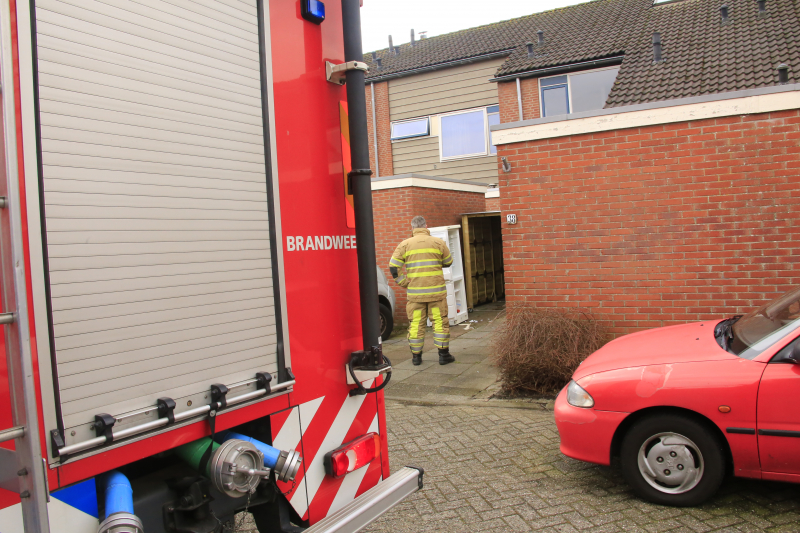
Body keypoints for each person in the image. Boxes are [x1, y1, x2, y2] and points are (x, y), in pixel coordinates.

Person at [389, 216, 455, 366]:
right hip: (436, 294)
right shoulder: (438, 242)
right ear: (426, 226)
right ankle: (443, 355)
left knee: (416, 325)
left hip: (415, 295)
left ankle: (416, 358)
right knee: (439, 322)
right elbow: (448, 262)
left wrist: (404, 283)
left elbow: (393, 267)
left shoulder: (404, 244)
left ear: (412, 228)